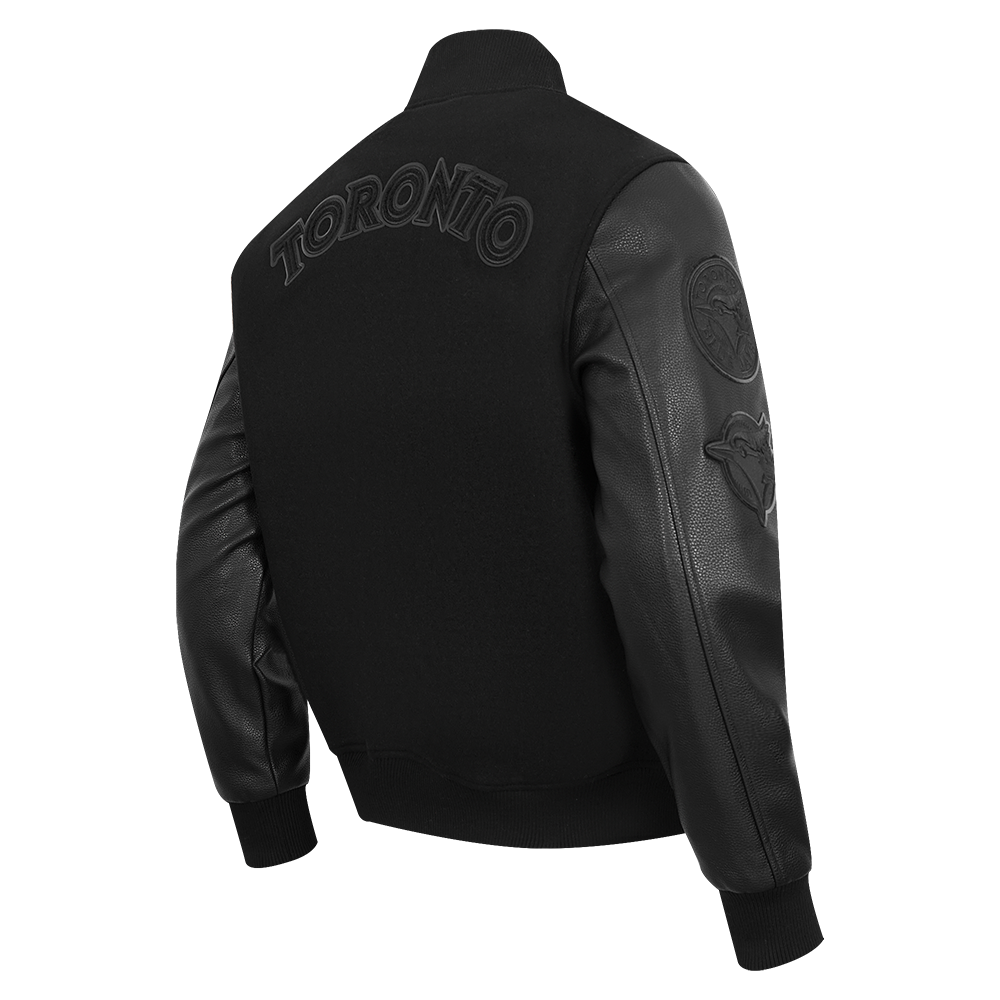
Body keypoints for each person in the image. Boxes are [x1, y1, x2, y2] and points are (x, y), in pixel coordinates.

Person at [177, 28, 823, 970]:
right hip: (600, 871)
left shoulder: (279, 250)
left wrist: (268, 818)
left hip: (366, 849)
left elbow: (214, 560)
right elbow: (687, 562)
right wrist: (768, 888)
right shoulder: (634, 201)